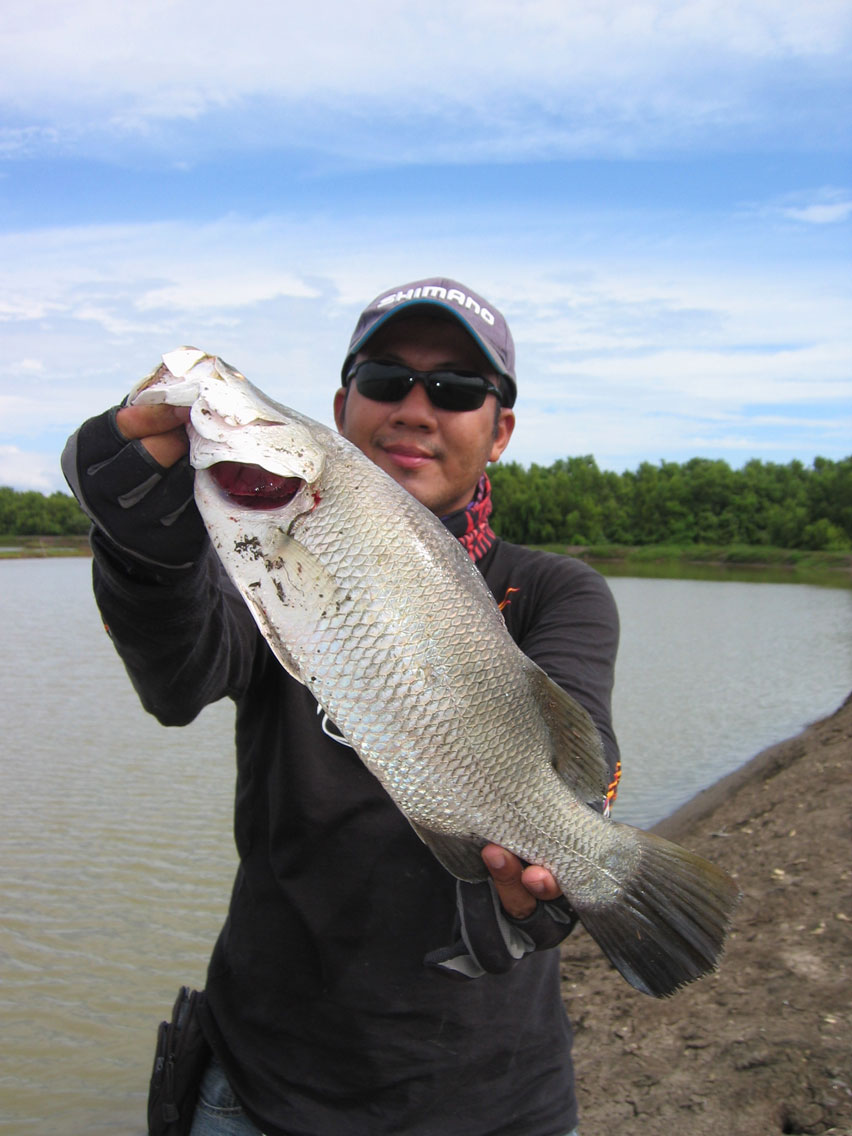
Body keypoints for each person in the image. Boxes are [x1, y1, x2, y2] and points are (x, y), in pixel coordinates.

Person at [62, 276, 620, 1136]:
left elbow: (573, 783)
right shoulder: (272, 553)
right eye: (387, 379)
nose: (415, 408)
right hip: (262, 1087)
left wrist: (548, 894)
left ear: (499, 429)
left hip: (495, 1100)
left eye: (458, 389)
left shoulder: (555, 592)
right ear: (340, 405)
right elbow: (177, 681)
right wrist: (144, 546)